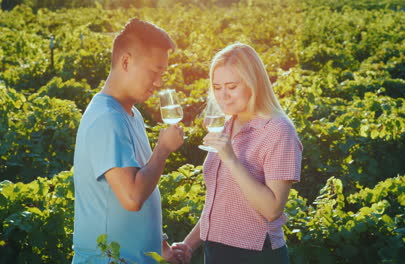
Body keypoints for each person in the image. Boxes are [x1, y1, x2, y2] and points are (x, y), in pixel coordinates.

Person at [72, 18, 188, 264]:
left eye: (162, 73)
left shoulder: (130, 114)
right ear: (126, 61)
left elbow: (142, 180)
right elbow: (133, 197)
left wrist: (161, 243)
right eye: (154, 71)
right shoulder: (107, 118)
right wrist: (163, 149)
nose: (159, 82)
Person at [173, 43, 303, 264]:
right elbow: (220, 201)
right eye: (217, 87)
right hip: (215, 253)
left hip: (255, 255)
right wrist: (189, 244)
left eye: (231, 86)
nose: (223, 96)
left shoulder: (278, 130)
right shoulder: (226, 125)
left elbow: (272, 209)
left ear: (253, 83)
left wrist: (231, 159)